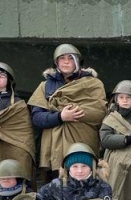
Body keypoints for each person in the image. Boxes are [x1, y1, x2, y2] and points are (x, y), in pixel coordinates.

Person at [29, 43, 107, 178]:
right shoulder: (45, 86)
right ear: (56, 62)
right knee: (57, 188)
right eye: (62, 58)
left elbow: (99, 112)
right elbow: (37, 119)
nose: (66, 62)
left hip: (83, 142)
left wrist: (74, 112)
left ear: (78, 61)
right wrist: (60, 116)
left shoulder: (93, 84)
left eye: (70, 58)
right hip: (55, 149)